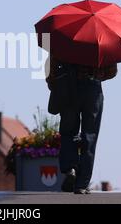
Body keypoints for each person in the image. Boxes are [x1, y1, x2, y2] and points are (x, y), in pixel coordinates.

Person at [45, 55, 117, 194]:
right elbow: (112, 71)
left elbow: (52, 66)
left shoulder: (65, 38)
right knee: (90, 135)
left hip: (69, 86)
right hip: (93, 89)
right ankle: (82, 184)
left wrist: (53, 83)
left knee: (68, 131)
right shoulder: (102, 41)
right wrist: (97, 73)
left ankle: (70, 168)